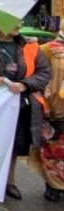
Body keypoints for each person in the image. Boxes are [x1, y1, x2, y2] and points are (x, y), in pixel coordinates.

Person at [0, 23, 50, 200]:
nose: (19, 24)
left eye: (20, 21)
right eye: (13, 20)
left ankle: (9, 181)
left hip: (18, 103)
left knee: (13, 142)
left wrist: (24, 84)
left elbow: (44, 73)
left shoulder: (30, 46)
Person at [34, 35, 64, 201]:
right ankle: (53, 185)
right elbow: (39, 72)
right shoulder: (48, 49)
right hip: (55, 107)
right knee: (54, 149)